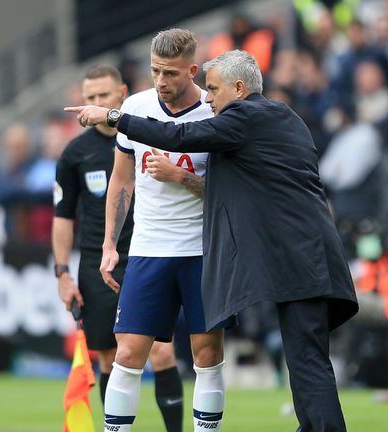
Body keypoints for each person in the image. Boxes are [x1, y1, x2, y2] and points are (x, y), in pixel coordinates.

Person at [67, 49, 359, 431]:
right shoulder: (283, 115)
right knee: (305, 357)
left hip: (298, 256)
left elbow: (178, 134)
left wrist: (114, 117)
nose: (207, 98)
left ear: (239, 89)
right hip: (308, 251)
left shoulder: (243, 117)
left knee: (305, 360)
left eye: (215, 89)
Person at [99, 29, 231, 432]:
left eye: (171, 73)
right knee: (128, 351)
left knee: (206, 353)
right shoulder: (135, 108)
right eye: (155, 71)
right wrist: (109, 243)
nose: (161, 81)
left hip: (203, 251)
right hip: (149, 248)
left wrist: (180, 177)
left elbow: (231, 193)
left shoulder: (215, 114)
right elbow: (122, 182)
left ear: (192, 70)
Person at [52, 65, 184, 432]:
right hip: (98, 262)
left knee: (161, 350)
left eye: (103, 96)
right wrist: (62, 273)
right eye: (89, 97)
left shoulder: (145, 135)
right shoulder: (75, 154)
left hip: (149, 253)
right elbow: (62, 217)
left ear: (122, 94)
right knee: (110, 356)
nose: (94, 103)